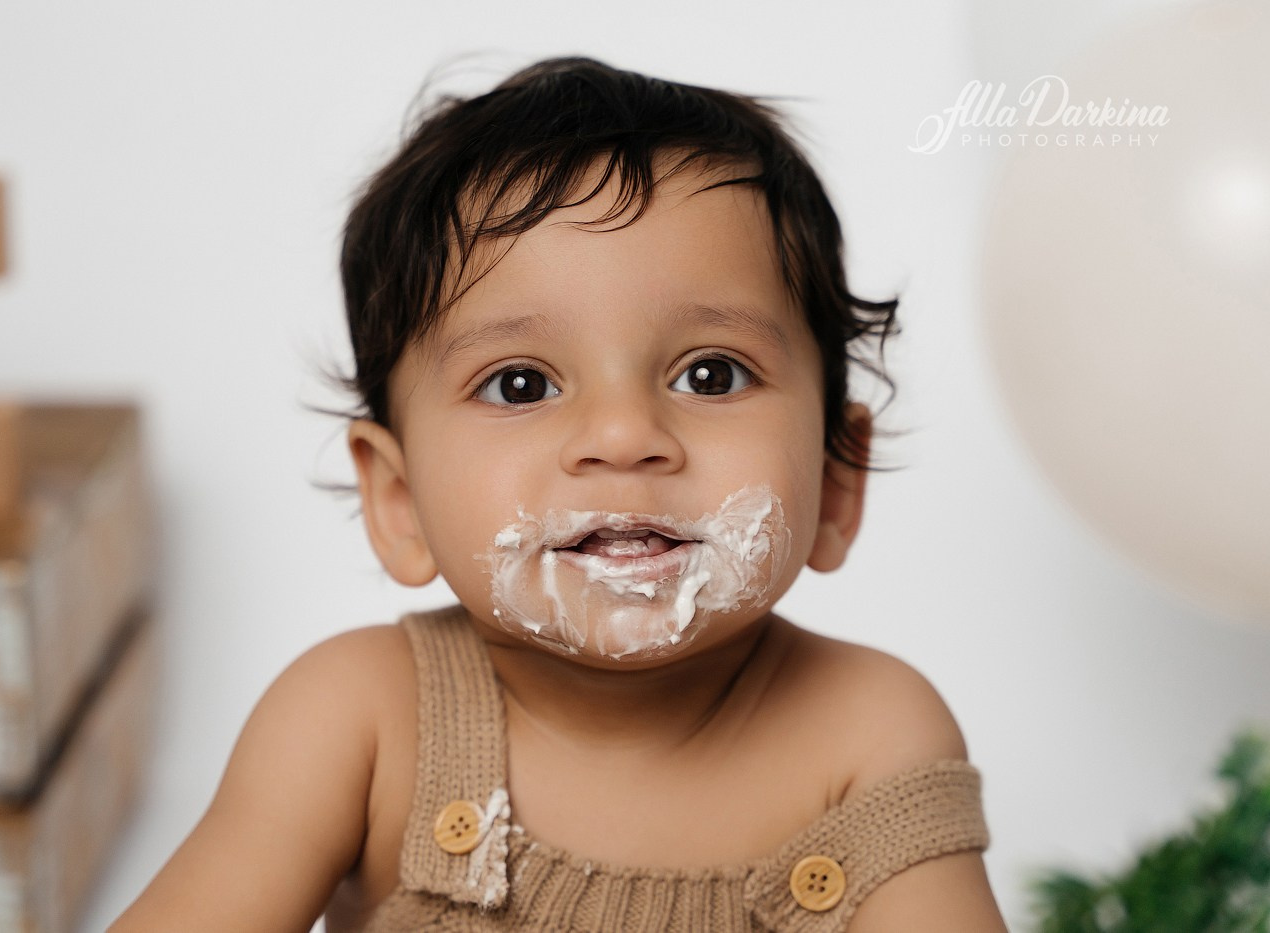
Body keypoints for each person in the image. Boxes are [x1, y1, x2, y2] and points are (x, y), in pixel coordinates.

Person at [112, 57, 1008, 932]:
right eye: (521, 385)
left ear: (836, 475)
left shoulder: (871, 735)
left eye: (710, 372)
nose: (623, 437)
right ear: (399, 500)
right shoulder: (359, 718)